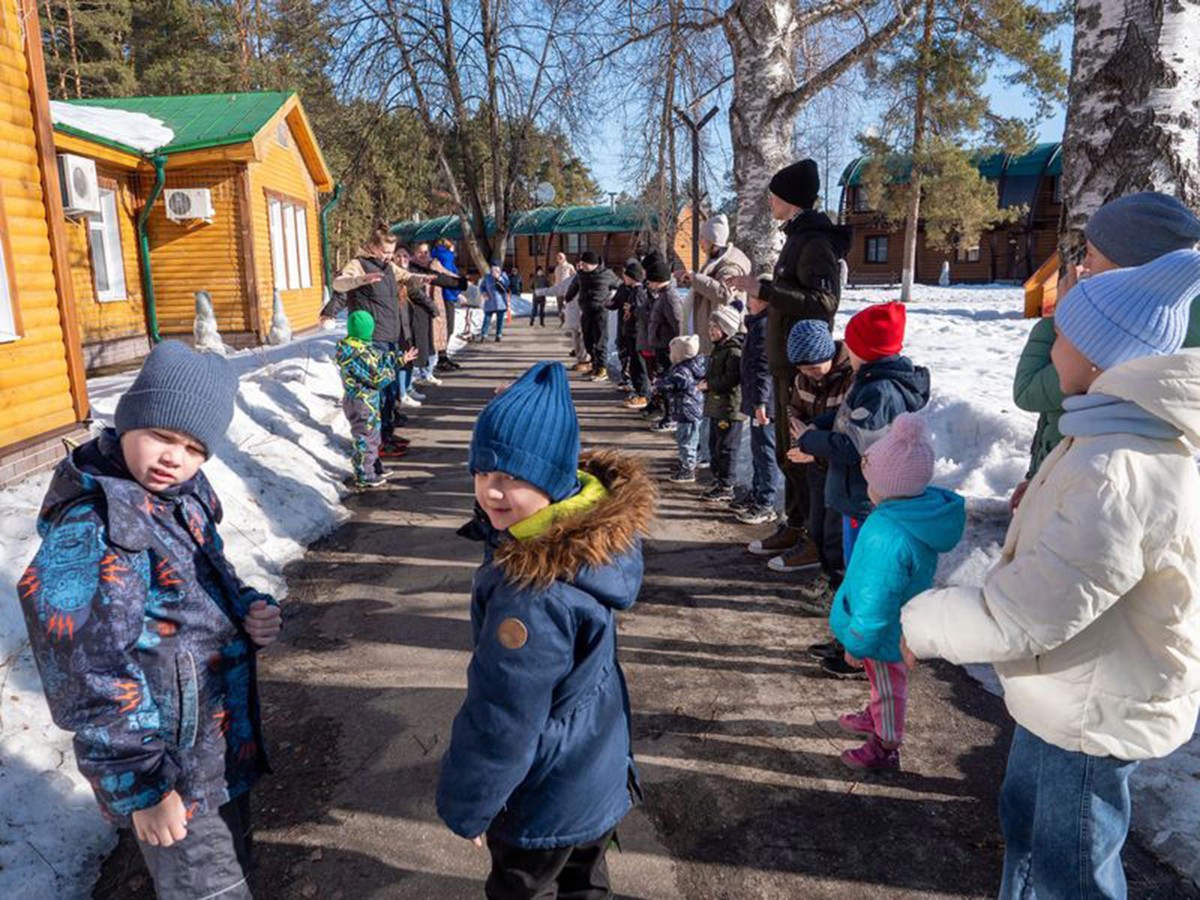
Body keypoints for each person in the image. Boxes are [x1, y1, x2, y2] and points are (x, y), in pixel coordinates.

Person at [901, 249, 1200, 899]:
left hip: (1095, 709)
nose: (1047, 343)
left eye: (1059, 331)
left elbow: (1028, 611)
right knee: (1030, 825)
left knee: (1075, 866)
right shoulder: (1102, 439)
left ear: (1096, 356)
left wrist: (922, 622)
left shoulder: (1122, 467)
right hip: (1065, 687)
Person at [19, 342, 283, 900]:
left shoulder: (180, 496)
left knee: (229, 873)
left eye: (193, 448)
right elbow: (88, 671)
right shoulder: (98, 526)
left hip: (213, 751)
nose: (175, 458)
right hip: (169, 768)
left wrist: (248, 608)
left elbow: (211, 578)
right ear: (129, 420)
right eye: (163, 436)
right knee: (206, 889)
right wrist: (142, 786)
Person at [437, 361, 652, 900]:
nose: (491, 492)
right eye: (483, 473)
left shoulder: (530, 594)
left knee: (521, 888)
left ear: (554, 482)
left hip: (544, 790)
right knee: (585, 882)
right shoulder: (584, 546)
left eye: (512, 477)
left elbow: (505, 714)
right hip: (594, 773)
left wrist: (474, 803)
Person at [1011, 191, 1200, 510]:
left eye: (1093, 255)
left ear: (1132, 271)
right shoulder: (1169, 320)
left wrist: (1061, 323)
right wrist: (1038, 477)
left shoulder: (1123, 333)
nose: (1083, 264)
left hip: (1083, 496)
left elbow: (1028, 391)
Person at [727, 160, 851, 573]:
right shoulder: (799, 238)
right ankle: (796, 526)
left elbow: (823, 302)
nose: (769, 201)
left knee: (802, 453)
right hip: (788, 365)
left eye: (774, 195)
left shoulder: (814, 241)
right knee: (789, 453)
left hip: (805, 366)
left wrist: (764, 289)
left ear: (790, 199)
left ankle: (814, 540)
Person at [794, 302, 930, 678]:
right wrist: (817, 427)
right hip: (853, 495)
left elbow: (855, 445)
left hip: (863, 500)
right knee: (854, 577)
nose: (845, 351)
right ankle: (848, 642)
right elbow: (844, 423)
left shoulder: (880, 391)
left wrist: (811, 441)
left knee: (863, 580)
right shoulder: (869, 384)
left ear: (865, 350)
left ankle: (860, 653)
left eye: (851, 345)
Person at [831, 414, 965, 771]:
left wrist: (857, 642)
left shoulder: (889, 534)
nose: (867, 489)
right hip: (898, 625)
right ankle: (876, 714)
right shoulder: (912, 515)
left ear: (889, 487)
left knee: (890, 686)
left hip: (886, 631)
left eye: (871, 483)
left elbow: (877, 596)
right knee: (882, 681)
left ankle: (885, 744)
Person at [327, 225, 431, 456]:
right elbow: (339, 284)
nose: (388, 256)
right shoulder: (358, 264)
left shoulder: (387, 266)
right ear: (372, 246)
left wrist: (423, 278)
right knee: (380, 393)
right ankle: (380, 441)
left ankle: (387, 433)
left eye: (391, 251)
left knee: (392, 392)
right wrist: (361, 279)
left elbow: (407, 277)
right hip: (374, 338)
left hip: (391, 335)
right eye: (385, 251)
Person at [764, 321, 854, 581]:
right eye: (802, 369)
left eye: (814, 368)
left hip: (838, 463)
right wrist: (799, 439)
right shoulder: (802, 378)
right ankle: (816, 553)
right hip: (814, 461)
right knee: (817, 516)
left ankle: (835, 573)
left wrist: (813, 445)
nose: (809, 374)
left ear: (828, 356)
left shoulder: (851, 379)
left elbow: (845, 427)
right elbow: (795, 411)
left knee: (835, 524)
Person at [338, 310, 415, 488]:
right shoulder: (356, 354)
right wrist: (392, 372)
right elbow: (377, 377)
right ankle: (364, 473)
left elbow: (379, 359)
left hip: (367, 401)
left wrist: (400, 359)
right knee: (365, 437)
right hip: (360, 402)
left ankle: (373, 467)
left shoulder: (362, 348)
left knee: (373, 436)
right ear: (367, 330)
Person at [733, 287, 779, 524]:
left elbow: (763, 369)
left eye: (751, 297)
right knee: (757, 451)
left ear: (762, 301)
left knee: (764, 452)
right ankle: (757, 492)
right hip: (755, 399)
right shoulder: (757, 324)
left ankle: (765, 502)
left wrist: (760, 402)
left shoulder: (764, 327)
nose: (748, 301)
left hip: (764, 403)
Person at [676, 214, 751, 352]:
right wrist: (691, 281)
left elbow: (724, 294)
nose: (700, 243)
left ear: (714, 242)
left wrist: (696, 278)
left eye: (703, 239)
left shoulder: (731, 266)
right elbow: (708, 286)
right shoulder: (715, 260)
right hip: (711, 333)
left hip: (722, 336)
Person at [699, 306, 746, 503]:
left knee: (726, 447)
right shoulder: (719, 349)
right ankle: (719, 479)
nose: (711, 331)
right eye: (710, 327)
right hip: (717, 406)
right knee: (715, 445)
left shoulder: (733, 352)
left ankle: (726, 483)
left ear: (726, 329)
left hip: (729, 408)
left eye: (715, 327)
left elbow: (731, 379)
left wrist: (709, 384)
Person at [655, 334, 707, 483]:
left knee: (685, 440)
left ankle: (688, 468)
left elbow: (674, 383)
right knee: (692, 438)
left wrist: (659, 384)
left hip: (686, 411)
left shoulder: (681, 371)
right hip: (692, 409)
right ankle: (689, 461)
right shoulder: (693, 367)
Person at [565, 251, 621, 382]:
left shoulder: (607, 274)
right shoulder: (581, 275)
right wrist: (569, 296)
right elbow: (574, 286)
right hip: (586, 311)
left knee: (600, 340)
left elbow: (620, 285)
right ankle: (595, 365)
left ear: (593, 264)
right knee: (588, 341)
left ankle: (602, 369)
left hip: (601, 311)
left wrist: (614, 301)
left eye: (584, 263)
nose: (582, 265)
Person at [644, 250, 684, 428]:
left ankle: (671, 417)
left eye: (651, 280)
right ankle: (666, 414)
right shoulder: (662, 295)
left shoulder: (669, 297)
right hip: (661, 346)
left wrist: (676, 346)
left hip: (668, 348)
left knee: (668, 383)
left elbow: (678, 323)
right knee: (662, 382)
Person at [623, 259, 654, 410]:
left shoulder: (639, 292)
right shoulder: (633, 291)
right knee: (634, 366)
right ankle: (639, 391)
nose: (623, 277)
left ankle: (643, 394)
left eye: (626, 275)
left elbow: (642, 313)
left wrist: (632, 311)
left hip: (637, 334)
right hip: (631, 332)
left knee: (639, 365)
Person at [431, 238, 466, 368]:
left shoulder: (436, 255)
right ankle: (442, 357)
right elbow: (450, 275)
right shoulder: (446, 256)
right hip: (447, 295)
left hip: (442, 294)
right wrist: (457, 290)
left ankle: (442, 356)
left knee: (444, 327)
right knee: (448, 327)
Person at [480, 262, 509, 342]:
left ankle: (498, 335)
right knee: (487, 319)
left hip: (500, 302)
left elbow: (507, 285)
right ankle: (484, 334)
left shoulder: (503, 276)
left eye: (496, 269)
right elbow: (482, 287)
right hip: (490, 301)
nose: (494, 271)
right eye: (493, 269)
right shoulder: (487, 277)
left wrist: (499, 278)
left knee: (500, 320)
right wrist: (484, 293)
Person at [553, 251, 575, 329]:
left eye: (560, 257)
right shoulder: (557, 268)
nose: (559, 259)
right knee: (560, 307)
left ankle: (568, 321)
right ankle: (562, 321)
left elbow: (574, 277)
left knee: (567, 306)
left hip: (567, 290)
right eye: (558, 257)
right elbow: (556, 279)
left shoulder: (569, 266)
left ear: (564, 258)